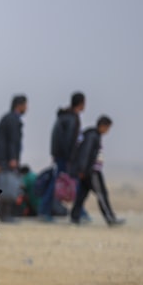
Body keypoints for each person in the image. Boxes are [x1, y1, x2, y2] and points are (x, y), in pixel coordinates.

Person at [70, 116, 123, 226]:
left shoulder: (92, 135)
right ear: (103, 126)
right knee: (102, 194)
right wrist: (82, 170)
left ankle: (74, 217)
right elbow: (85, 153)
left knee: (82, 195)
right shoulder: (92, 136)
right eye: (108, 128)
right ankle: (110, 218)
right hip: (92, 171)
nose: (108, 131)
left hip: (87, 171)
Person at [40, 92, 85, 221]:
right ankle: (45, 211)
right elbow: (69, 140)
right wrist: (70, 158)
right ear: (81, 103)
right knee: (59, 183)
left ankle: (79, 212)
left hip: (60, 155)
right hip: (65, 157)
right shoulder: (72, 118)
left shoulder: (63, 116)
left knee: (61, 182)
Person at [0, 95, 27, 222]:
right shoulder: (13, 120)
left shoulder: (8, 118)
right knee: (7, 185)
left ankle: (1, 214)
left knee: (1, 185)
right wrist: (13, 158)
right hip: (4, 158)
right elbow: (12, 141)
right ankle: (5, 215)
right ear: (19, 105)